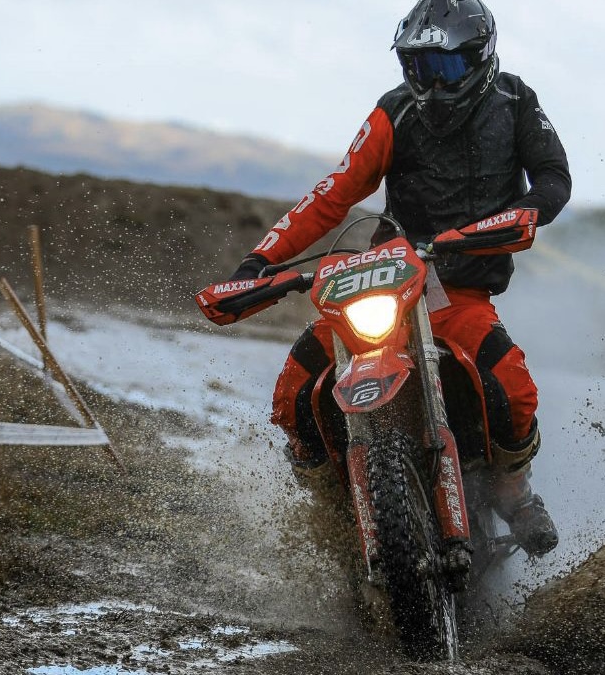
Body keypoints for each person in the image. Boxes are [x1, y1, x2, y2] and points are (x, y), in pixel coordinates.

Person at [227, 0, 571, 557]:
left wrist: (522, 214)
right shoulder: (394, 111)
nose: (431, 84)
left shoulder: (515, 101)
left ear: (478, 57)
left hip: (460, 289)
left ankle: (512, 487)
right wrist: (258, 262)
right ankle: (326, 504)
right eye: (418, 67)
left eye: (445, 67)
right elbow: (334, 193)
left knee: (512, 385)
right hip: (388, 279)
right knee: (294, 389)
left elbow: (554, 178)